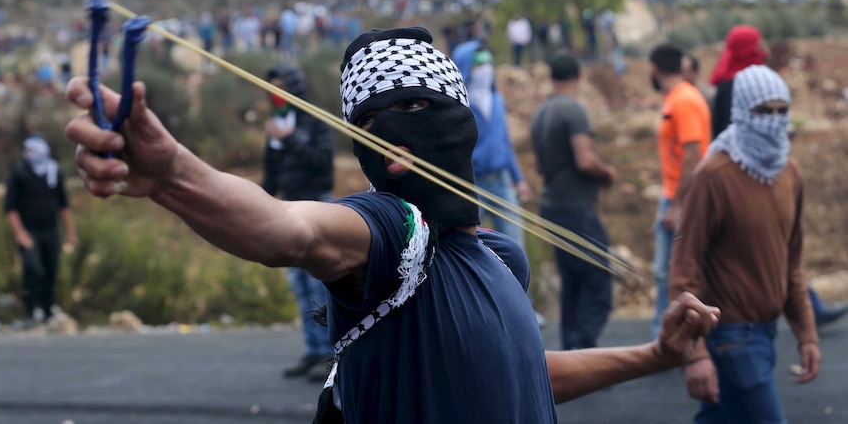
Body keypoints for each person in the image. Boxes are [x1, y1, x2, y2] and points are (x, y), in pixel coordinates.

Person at [65, 26, 720, 424]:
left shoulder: (498, 259)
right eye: (374, 126)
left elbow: (522, 372)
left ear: (459, 117)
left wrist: (655, 355)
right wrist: (174, 174)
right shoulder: (395, 231)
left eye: (417, 107)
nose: (399, 136)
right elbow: (289, 230)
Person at [669, 65, 820, 423]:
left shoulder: (789, 173)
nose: (773, 119)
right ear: (740, 113)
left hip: (767, 335)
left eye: (781, 110)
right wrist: (697, 354)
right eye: (762, 111)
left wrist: (807, 334)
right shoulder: (714, 176)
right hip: (731, 338)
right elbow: (683, 272)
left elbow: (791, 261)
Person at [708, 26, 848, 327]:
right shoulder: (736, 87)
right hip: (746, 180)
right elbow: (730, 136)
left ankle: (803, 310)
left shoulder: (733, 86)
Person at [531, 52, 616, 350]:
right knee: (598, 280)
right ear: (579, 76)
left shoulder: (542, 112)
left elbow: (540, 166)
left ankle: (573, 351)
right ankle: (585, 348)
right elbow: (584, 160)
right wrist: (606, 172)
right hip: (575, 207)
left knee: (572, 283)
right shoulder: (574, 111)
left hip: (551, 205)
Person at [261, 65, 335, 383]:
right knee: (299, 284)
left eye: (281, 87)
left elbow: (323, 164)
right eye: (271, 89)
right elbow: (272, 175)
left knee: (320, 282)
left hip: (316, 206)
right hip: (287, 209)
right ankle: (313, 349)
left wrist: (290, 140)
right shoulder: (279, 124)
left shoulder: (314, 120)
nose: (276, 95)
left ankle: (332, 353)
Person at [649, 44, 711, 339]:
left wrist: (677, 204)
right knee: (669, 271)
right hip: (675, 195)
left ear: (655, 69)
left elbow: (693, 153)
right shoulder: (679, 97)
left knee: (670, 271)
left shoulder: (683, 100)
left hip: (678, 197)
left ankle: (666, 338)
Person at [451, 36, 532, 250]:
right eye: (479, 62)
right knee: (467, 246)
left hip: (501, 181)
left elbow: (505, 141)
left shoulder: (497, 99)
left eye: (488, 61)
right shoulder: (459, 105)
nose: (485, 68)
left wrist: (519, 179)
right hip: (473, 184)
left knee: (515, 245)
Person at [3, 135, 77, 326]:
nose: (29, 154)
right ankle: (29, 312)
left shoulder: (54, 171)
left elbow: (64, 205)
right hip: (29, 231)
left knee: (50, 271)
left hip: (51, 230)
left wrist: (70, 233)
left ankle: (47, 312)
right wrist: (20, 233)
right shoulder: (19, 172)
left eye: (32, 150)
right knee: (33, 269)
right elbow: (10, 207)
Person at [709, 25, 768, 138]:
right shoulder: (732, 87)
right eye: (758, 47)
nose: (764, 52)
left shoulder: (737, 83)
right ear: (745, 51)